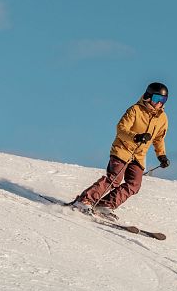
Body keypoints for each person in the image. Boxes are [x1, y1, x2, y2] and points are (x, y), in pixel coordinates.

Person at [72, 82, 171, 221]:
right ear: (148, 97)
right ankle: (84, 201)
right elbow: (121, 129)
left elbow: (159, 139)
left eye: (163, 100)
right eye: (157, 99)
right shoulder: (135, 110)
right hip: (122, 149)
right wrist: (136, 137)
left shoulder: (162, 118)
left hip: (138, 156)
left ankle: (105, 205)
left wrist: (162, 156)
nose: (159, 104)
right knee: (114, 179)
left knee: (134, 185)